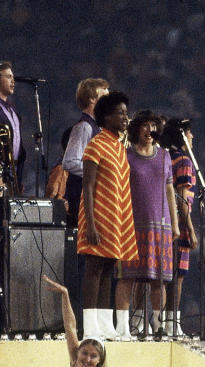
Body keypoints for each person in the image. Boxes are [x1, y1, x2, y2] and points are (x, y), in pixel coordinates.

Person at [113, 111, 177, 339]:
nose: (149, 130)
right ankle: (123, 326)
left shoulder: (165, 156)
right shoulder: (126, 155)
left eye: (153, 125)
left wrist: (175, 224)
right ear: (136, 128)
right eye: (144, 125)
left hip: (161, 226)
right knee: (127, 277)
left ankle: (158, 325)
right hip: (132, 225)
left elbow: (170, 191)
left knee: (159, 279)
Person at [77, 91, 135, 340]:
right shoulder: (96, 144)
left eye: (125, 112)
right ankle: (90, 326)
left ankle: (104, 324)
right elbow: (87, 186)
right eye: (119, 113)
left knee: (109, 269)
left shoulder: (120, 147)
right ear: (106, 116)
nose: (125, 117)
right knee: (94, 269)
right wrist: (90, 223)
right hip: (97, 216)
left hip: (116, 218)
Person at [162, 118, 199, 337]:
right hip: (180, 223)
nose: (193, 136)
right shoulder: (184, 161)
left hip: (165, 221)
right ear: (182, 136)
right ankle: (172, 323)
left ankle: (162, 321)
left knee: (167, 275)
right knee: (178, 276)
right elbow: (182, 200)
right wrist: (191, 229)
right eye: (189, 132)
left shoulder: (167, 158)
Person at [62, 78, 109, 224]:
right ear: (92, 100)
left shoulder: (96, 127)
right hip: (81, 200)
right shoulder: (84, 127)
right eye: (105, 98)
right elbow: (69, 162)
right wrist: (100, 172)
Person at [0, 61, 27, 194]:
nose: (13, 80)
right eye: (8, 77)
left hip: (13, 175)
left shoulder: (12, 111)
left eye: (12, 77)